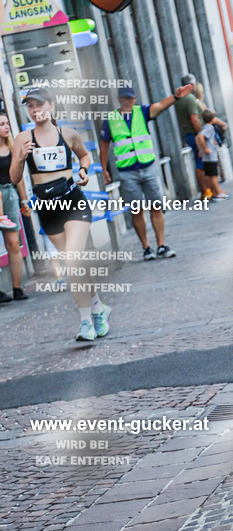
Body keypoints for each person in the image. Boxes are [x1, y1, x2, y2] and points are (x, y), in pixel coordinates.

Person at [10, 87, 107, 341]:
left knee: (73, 259)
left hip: (73, 201)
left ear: (51, 106)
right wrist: (20, 158)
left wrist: (83, 171)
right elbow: (14, 177)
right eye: (30, 106)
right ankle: (98, 307)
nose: (35, 110)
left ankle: (86, 321)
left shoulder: (68, 134)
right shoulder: (23, 139)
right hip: (47, 208)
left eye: (39, 104)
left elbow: (84, 156)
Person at [100, 83, 192, 261]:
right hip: (127, 172)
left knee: (156, 207)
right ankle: (146, 248)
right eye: (124, 98)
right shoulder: (110, 119)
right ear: (119, 99)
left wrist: (176, 97)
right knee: (136, 211)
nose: (127, 101)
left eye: (130, 98)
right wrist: (103, 169)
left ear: (135, 98)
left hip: (148, 167)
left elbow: (161, 105)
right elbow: (104, 145)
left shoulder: (142, 112)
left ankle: (161, 245)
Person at [0, 113, 30, 303]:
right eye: (2, 124)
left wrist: (24, 201)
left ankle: (17, 288)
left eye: (7, 123)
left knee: (13, 243)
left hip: (9, 195)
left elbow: (18, 178)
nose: (6, 126)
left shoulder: (12, 148)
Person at [174, 73, 211, 199]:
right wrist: (202, 135)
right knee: (201, 162)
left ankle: (206, 190)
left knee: (200, 160)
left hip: (190, 133)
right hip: (195, 134)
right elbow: (194, 119)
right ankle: (205, 191)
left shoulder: (181, 98)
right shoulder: (189, 99)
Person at [196, 109, 229, 197]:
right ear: (213, 118)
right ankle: (219, 193)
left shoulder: (205, 127)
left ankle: (214, 192)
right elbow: (201, 136)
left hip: (208, 156)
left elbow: (198, 136)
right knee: (214, 175)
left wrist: (201, 149)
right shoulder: (209, 128)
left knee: (210, 175)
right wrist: (205, 148)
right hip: (210, 156)